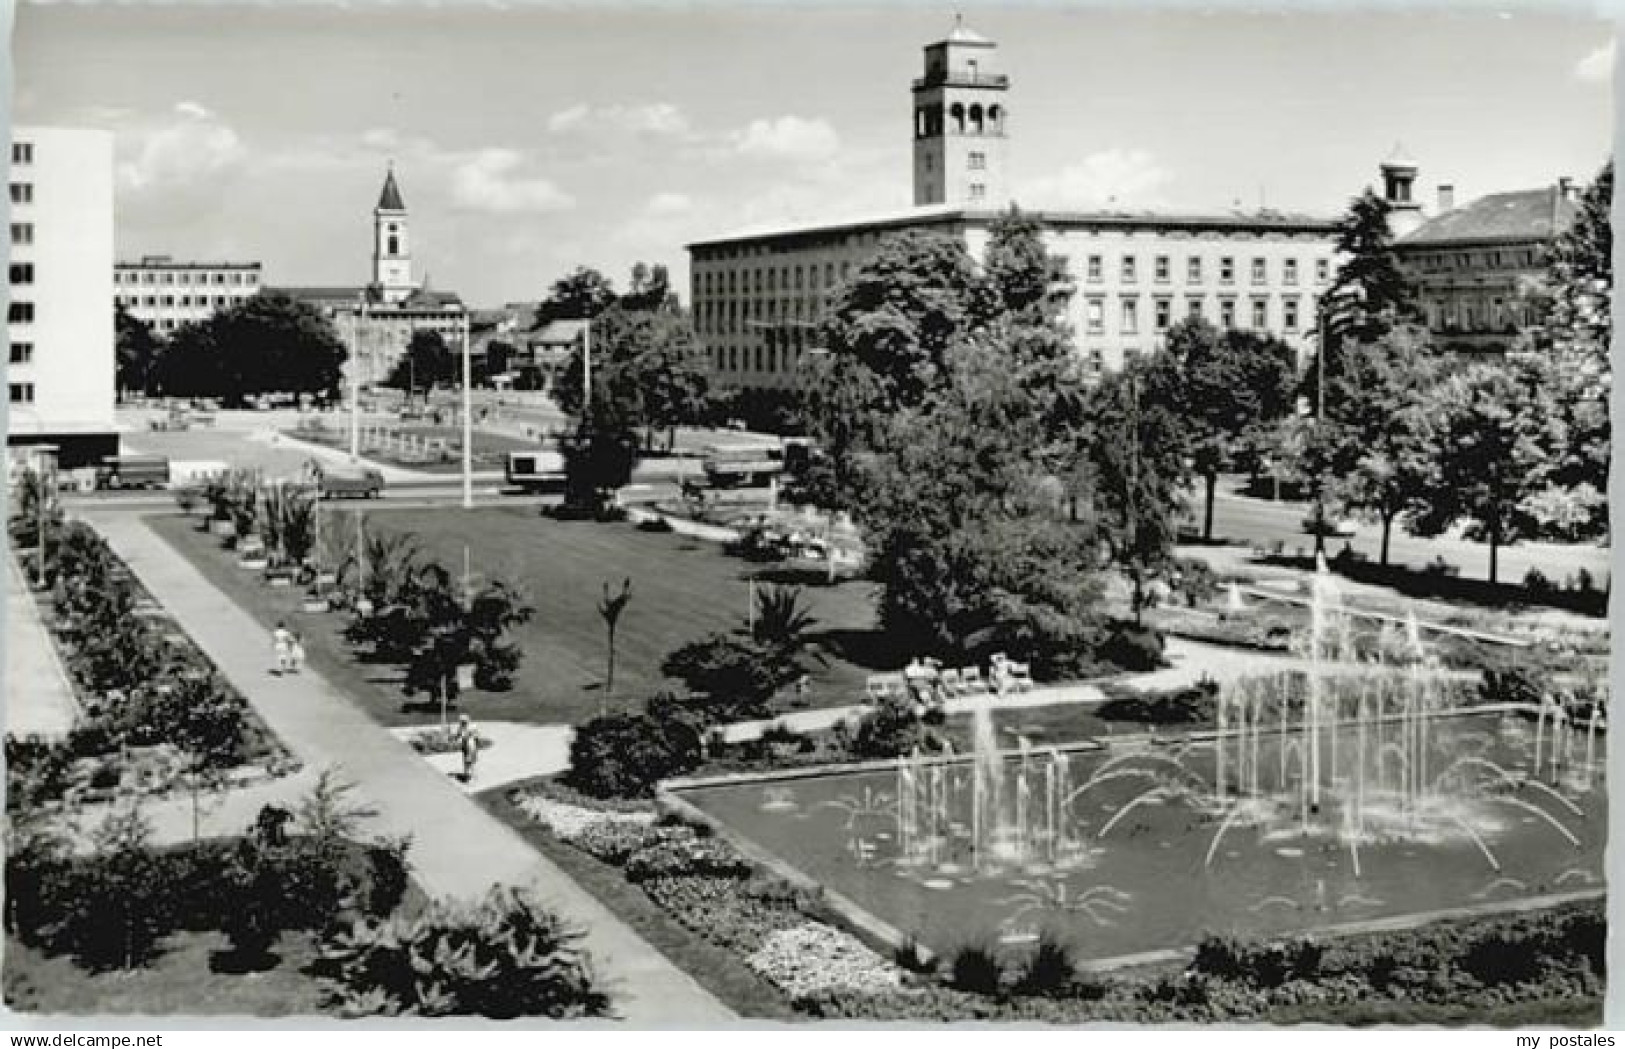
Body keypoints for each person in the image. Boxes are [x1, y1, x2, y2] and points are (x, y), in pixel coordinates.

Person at [456, 714, 480, 782]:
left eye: (464, 721)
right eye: (462, 721)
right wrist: (459, 739)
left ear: (468, 720)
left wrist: (473, 737)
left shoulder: (473, 727)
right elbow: (458, 736)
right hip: (465, 746)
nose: (463, 722)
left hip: (472, 746)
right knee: (466, 761)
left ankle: (471, 775)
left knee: (472, 761)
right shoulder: (460, 728)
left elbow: (477, 736)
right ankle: (467, 775)